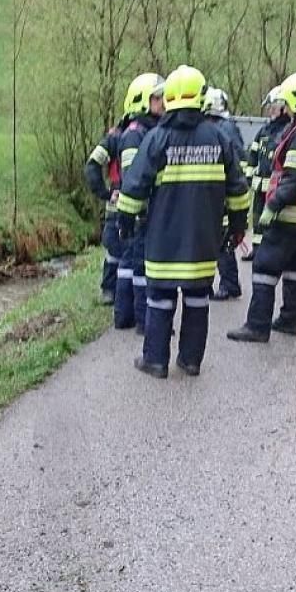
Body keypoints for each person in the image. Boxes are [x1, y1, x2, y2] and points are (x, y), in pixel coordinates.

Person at [117, 65, 250, 378]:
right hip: (204, 240)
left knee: (160, 298)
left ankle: (155, 360)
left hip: (163, 238)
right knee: (197, 299)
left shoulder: (156, 138)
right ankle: (190, 361)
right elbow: (238, 189)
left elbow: (135, 185)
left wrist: (125, 219)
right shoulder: (219, 138)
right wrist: (238, 225)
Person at [227, 70, 296, 343]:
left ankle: (257, 326)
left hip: (291, 215)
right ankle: (290, 319)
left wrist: (271, 206)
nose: (284, 108)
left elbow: (293, 177)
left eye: (287, 102)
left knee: (265, 267)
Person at [113, 73, 165, 332]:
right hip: (140, 211)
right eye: (157, 98)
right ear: (142, 101)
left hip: (144, 211)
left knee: (130, 263)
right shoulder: (135, 134)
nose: (163, 103)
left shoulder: (149, 130)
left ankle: (126, 317)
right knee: (139, 265)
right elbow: (133, 179)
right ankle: (142, 321)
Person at [83, 97, 132, 305]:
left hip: (135, 203)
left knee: (128, 251)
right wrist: (104, 192)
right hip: (116, 203)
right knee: (114, 249)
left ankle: (121, 293)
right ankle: (109, 289)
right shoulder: (114, 140)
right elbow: (92, 164)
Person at [202, 87, 245, 301]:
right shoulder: (223, 127)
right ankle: (224, 283)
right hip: (221, 191)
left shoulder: (222, 128)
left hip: (222, 193)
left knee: (221, 240)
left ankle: (229, 284)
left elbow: (235, 162)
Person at [241, 87, 291, 261]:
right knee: (257, 220)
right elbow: (253, 155)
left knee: (275, 221)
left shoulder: (288, 130)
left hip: (276, 188)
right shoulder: (264, 131)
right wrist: (248, 176)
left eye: (273, 107)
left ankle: (275, 253)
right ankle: (257, 249)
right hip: (259, 186)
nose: (270, 111)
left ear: (283, 107)